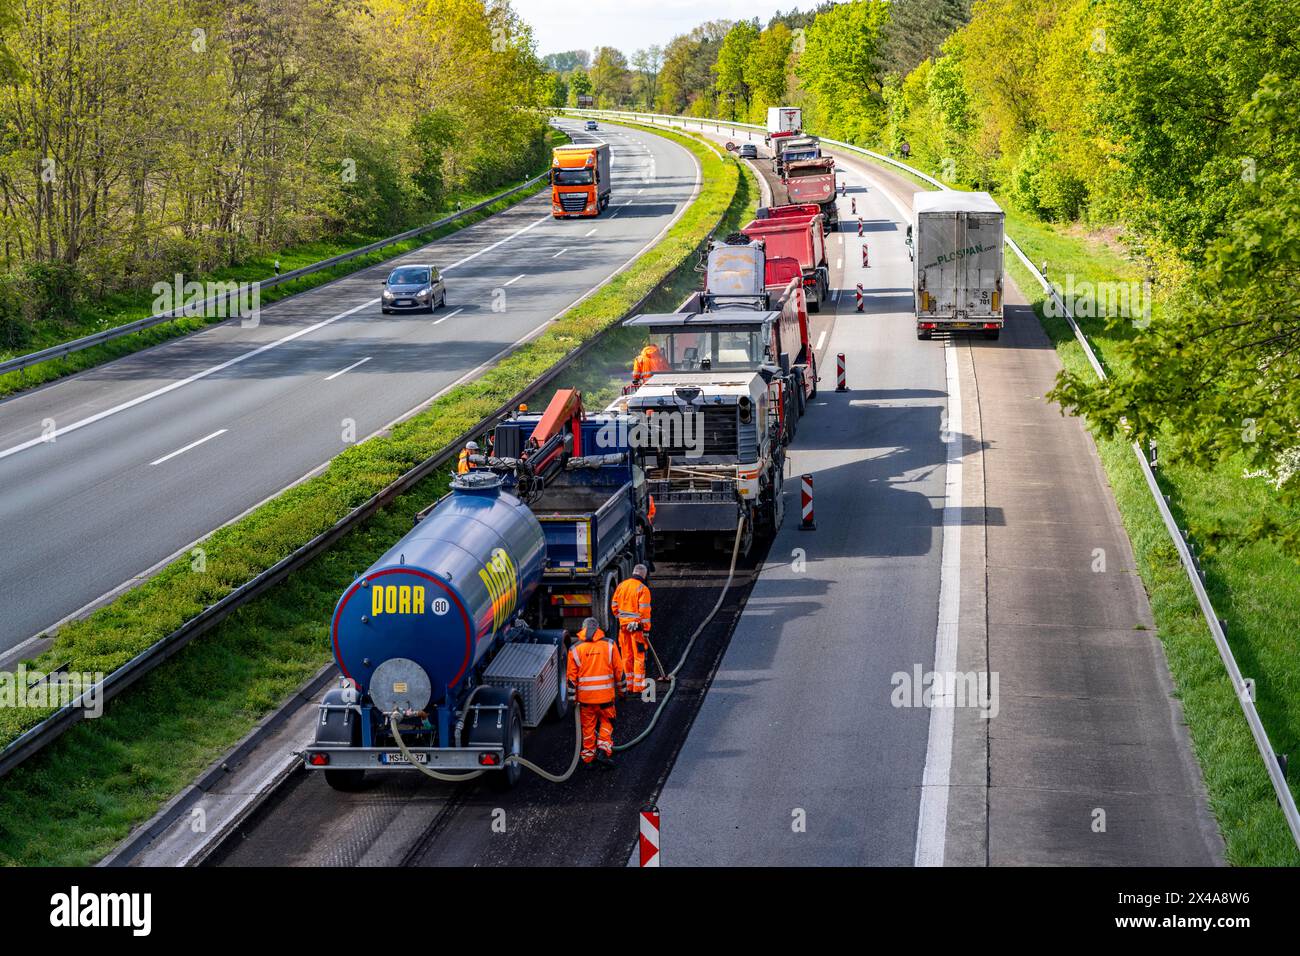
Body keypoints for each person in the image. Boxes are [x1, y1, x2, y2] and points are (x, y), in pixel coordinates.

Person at [566, 617, 626, 769]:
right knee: (608, 721)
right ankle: (603, 750)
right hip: (606, 698)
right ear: (598, 628)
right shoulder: (610, 645)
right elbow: (620, 672)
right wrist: (623, 692)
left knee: (588, 728)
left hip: (586, 700)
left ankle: (588, 759)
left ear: (583, 628)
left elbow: (571, 679)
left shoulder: (574, 649)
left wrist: (572, 699)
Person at [611, 564, 653, 694]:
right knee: (639, 656)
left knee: (626, 656)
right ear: (643, 575)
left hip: (623, 628)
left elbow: (614, 607)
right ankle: (638, 686)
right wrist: (645, 629)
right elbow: (645, 613)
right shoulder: (643, 589)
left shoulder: (621, 586)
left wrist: (623, 621)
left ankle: (628, 685)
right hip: (637, 629)